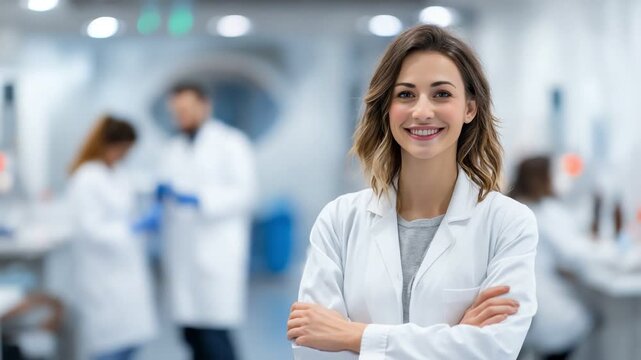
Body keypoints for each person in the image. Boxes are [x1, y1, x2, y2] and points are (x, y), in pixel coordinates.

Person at [287, 25, 538, 359]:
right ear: (386, 108)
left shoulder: (508, 223)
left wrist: (354, 336)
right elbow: (312, 347)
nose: (422, 111)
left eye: (442, 94)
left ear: (470, 108)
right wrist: (455, 338)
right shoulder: (339, 221)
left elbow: (492, 349)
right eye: (405, 94)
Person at [157, 83, 256, 360]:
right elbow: (165, 185)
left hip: (216, 252)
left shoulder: (231, 143)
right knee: (190, 335)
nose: (181, 117)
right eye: (176, 112)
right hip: (183, 253)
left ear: (205, 105)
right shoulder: (173, 148)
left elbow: (245, 193)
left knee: (216, 338)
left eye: (186, 110)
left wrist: (199, 199)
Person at [66, 115, 157, 360]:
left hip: (126, 269)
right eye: (124, 149)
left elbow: (133, 190)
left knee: (131, 339)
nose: (126, 155)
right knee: (108, 345)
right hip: (101, 273)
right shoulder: (86, 177)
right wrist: (134, 229)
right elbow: (90, 228)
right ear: (110, 145)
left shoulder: (117, 172)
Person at [510, 156, 594, 360]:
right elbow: (575, 255)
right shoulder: (547, 212)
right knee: (585, 321)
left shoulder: (512, 209)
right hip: (548, 316)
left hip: (520, 314)